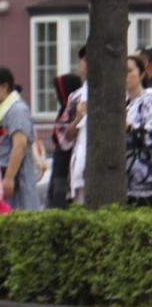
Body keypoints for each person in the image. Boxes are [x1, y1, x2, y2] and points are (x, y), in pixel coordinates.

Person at [0, 67, 40, 211]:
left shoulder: (17, 110)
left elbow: (19, 145)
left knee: (19, 214)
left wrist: (9, 178)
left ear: (5, 86)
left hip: (16, 178)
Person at [47, 73, 83, 209]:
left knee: (61, 200)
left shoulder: (73, 110)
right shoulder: (64, 110)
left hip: (67, 163)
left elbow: (64, 139)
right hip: (60, 162)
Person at [125, 54, 152, 206]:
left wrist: (130, 127)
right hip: (124, 178)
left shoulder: (149, 98)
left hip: (145, 179)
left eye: (129, 71)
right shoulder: (122, 102)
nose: (125, 76)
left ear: (141, 74)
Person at [66, 47, 89, 205]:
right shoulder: (75, 96)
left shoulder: (119, 93)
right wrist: (79, 117)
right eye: (84, 59)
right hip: (80, 160)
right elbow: (68, 135)